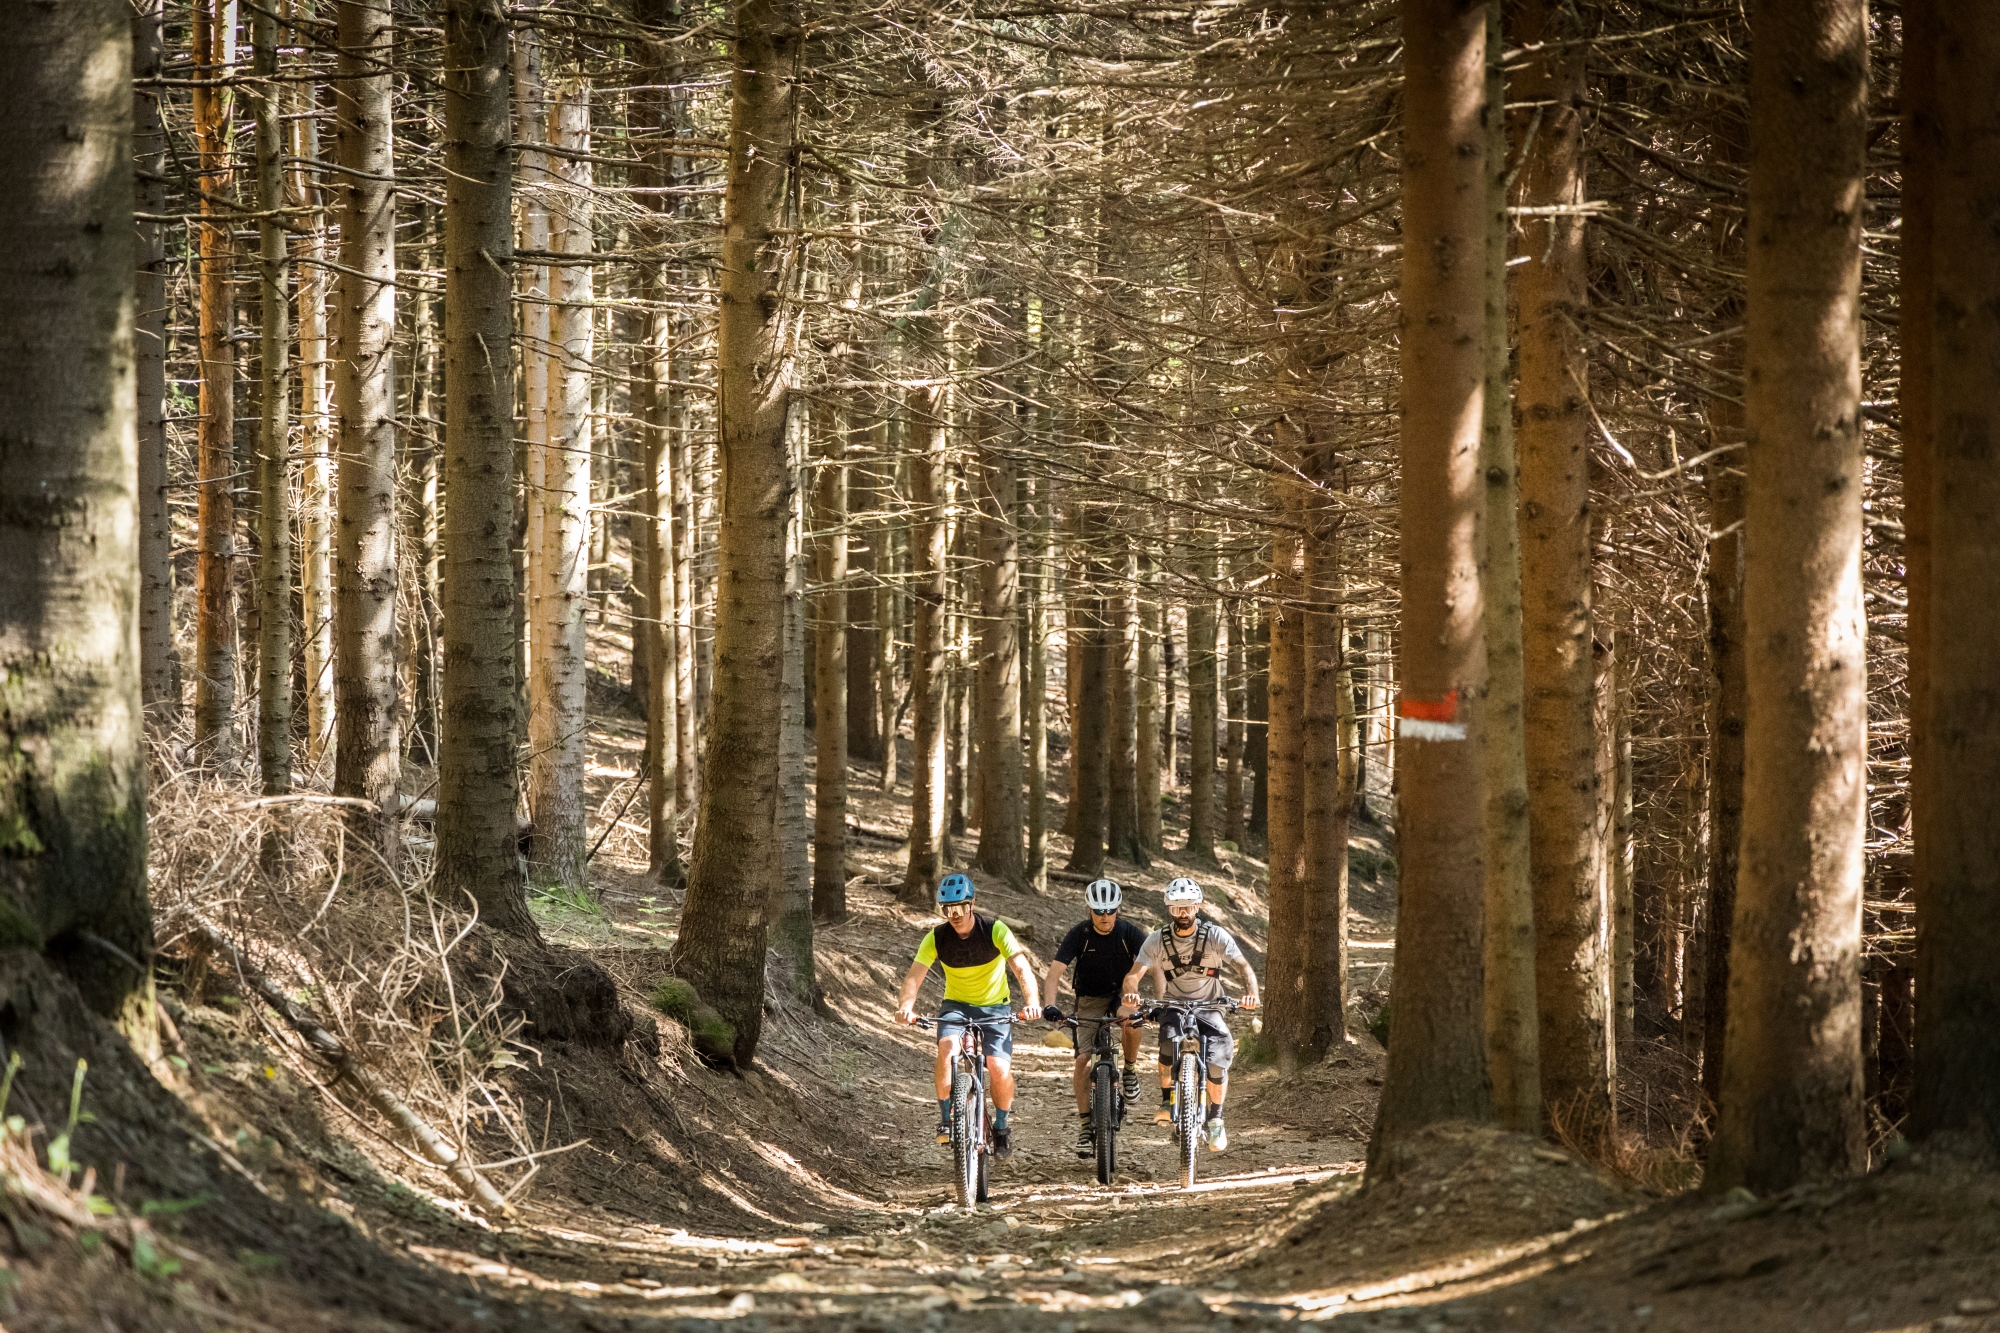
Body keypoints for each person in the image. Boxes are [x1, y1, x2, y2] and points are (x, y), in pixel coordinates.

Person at [896, 873, 1040, 1158]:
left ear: (973, 904)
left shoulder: (995, 930)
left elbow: (1021, 968)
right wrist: (906, 1007)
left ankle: (1000, 1127)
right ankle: (946, 1118)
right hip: (956, 1006)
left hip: (995, 1007)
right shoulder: (936, 938)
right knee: (946, 1049)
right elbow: (914, 977)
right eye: (948, 910)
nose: (955, 915)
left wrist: (1032, 1002)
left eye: (961, 908)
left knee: (998, 1068)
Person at [1118, 876, 1259, 1152]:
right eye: (1177, 908)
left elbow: (1244, 967)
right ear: (1169, 909)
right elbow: (1133, 975)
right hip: (1175, 1005)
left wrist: (1251, 994)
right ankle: (1167, 1098)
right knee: (1167, 1044)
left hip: (1211, 1006)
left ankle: (1215, 1120)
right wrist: (1131, 991)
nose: (1183, 913)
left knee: (1218, 1061)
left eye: (1189, 907)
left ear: (1198, 906)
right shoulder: (1157, 940)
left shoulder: (1215, 936)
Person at [1041, 877, 1150, 1158]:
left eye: (1110, 910)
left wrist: (1157, 1002)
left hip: (1122, 996)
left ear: (1118, 909)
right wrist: (1050, 1006)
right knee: (1081, 1060)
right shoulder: (1080, 934)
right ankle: (1087, 1126)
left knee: (1132, 1019)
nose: (1105, 916)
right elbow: (1054, 974)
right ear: (1089, 910)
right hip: (1089, 998)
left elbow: (1157, 967)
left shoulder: (1128, 932)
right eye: (1099, 911)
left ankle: (1129, 1071)